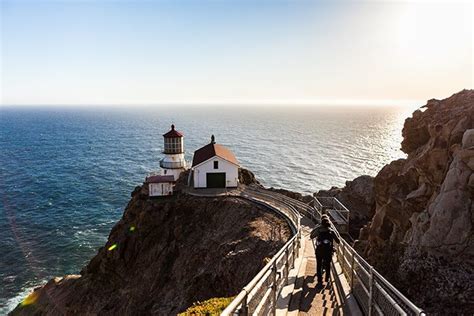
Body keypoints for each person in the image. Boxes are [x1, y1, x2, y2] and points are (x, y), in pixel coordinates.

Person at [312, 217, 339, 284]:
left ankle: (319, 280)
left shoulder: (319, 230)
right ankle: (327, 278)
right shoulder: (331, 231)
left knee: (319, 265)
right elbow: (338, 241)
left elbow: (311, 236)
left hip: (319, 251)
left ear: (321, 224)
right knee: (328, 265)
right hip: (328, 251)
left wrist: (317, 228)